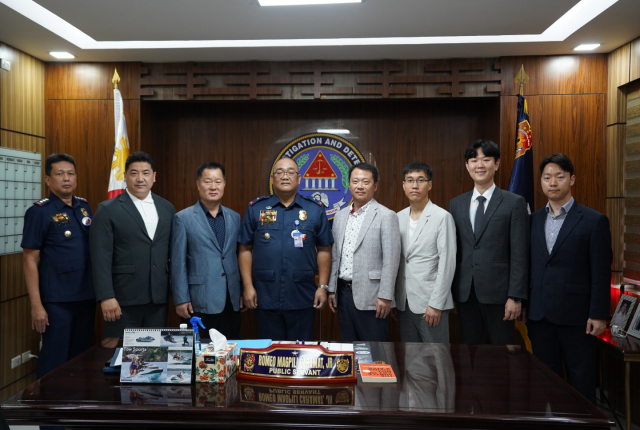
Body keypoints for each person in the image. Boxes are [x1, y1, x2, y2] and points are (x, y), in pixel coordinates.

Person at [525, 153, 612, 403]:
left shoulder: (594, 221)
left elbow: (601, 271)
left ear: (571, 179)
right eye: (547, 177)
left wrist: (598, 314)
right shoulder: (533, 220)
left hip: (578, 317)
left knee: (581, 379)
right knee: (545, 378)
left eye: (559, 177)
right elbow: (530, 264)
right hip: (539, 315)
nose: (553, 182)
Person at [238, 157, 333, 340]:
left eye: (290, 172)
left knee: (300, 353)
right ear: (272, 179)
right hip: (265, 294)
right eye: (280, 172)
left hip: (302, 295)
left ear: (299, 179)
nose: (285, 176)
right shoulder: (256, 208)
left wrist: (322, 286)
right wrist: (248, 286)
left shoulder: (314, 210)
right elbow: (244, 249)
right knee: (270, 355)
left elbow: (324, 249)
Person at [21, 153, 95, 378]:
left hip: (86, 297)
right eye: (60, 174)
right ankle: (46, 410)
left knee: (80, 359)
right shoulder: (39, 212)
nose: (66, 179)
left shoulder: (83, 207)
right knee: (55, 360)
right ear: (47, 180)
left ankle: (76, 409)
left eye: (71, 174)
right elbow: (29, 260)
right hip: (57, 302)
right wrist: (37, 306)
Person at [448, 139, 529, 345]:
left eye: (486, 159)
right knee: (469, 354)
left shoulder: (514, 202)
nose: (480, 165)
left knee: (502, 357)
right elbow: (453, 251)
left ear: (497, 164)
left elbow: (520, 253)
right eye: (474, 160)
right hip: (465, 294)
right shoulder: (456, 204)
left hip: (501, 296)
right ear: (467, 166)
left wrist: (515, 297)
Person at [90, 151, 176, 338]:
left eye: (145, 173)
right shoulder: (108, 209)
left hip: (158, 299)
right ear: (125, 176)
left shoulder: (167, 208)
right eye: (134, 173)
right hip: (122, 300)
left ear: (154, 176)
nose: (140, 178)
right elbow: (100, 258)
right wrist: (106, 296)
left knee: (155, 357)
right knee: (123, 358)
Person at [328, 163, 401, 342]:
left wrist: (385, 296)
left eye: (365, 182)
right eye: (355, 181)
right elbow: (336, 255)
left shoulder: (386, 215)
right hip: (343, 295)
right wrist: (331, 289)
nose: (360, 186)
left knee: (375, 353)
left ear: (375, 186)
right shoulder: (340, 216)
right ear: (349, 184)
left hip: (373, 297)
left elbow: (391, 260)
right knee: (348, 348)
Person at [171, 162, 242, 339]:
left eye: (218, 181)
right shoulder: (183, 218)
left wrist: (240, 292)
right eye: (207, 181)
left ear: (224, 184)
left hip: (230, 300)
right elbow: (178, 262)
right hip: (198, 301)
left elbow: (236, 256)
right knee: (201, 355)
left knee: (229, 352)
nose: (213, 187)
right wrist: (180, 298)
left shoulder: (235, 217)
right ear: (198, 184)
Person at [394, 162, 456, 343]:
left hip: (430, 303)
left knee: (437, 359)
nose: (415, 185)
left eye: (420, 180)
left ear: (430, 184)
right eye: (410, 180)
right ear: (403, 185)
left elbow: (447, 264)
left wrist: (436, 304)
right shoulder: (397, 217)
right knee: (411, 359)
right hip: (404, 302)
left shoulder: (442, 217)